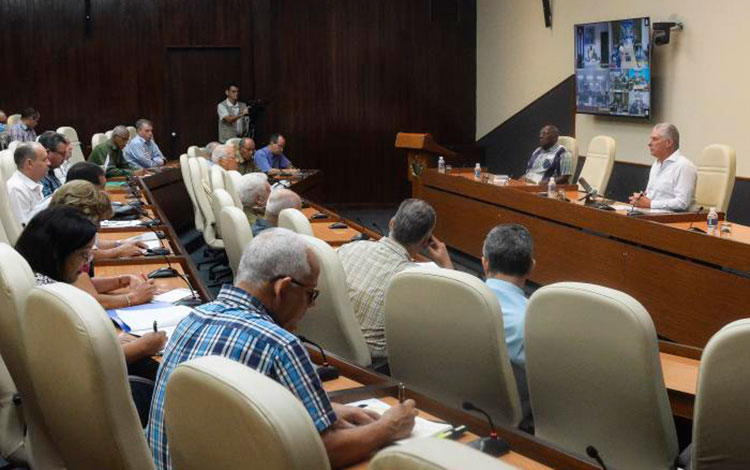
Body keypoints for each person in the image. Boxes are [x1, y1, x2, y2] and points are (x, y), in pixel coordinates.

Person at [147, 228, 417, 470]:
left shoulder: (190, 320)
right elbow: (326, 452)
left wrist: (320, 411)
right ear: (283, 288)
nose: (311, 307)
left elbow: (224, 414)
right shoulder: (278, 344)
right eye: (311, 295)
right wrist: (388, 427)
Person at [14, 205, 167, 425]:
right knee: (162, 389)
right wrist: (143, 346)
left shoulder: (33, 273)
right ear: (58, 252)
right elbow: (82, 366)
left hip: (49, 395)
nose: (87, 263)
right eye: (84, 254)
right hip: (73, 406)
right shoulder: (50, 299)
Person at [337, 199, 453, 360]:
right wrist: (446, 264)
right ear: (426, 241)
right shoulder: (412, 281)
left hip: (334, 344)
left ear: (391, 223)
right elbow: (455, 308)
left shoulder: (349, 249)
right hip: (376, 365)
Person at [49, 181, 156, 308]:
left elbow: (79, 284)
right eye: (97, 221)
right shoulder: (63, 243)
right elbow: (90, 301)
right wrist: (134, 298)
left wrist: (123, 280)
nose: (98, 228)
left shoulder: (54, 230)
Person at [482, 224, 534, 420]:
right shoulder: (532, 322)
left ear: (485, 264)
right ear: (531, 268)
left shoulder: (459, 301)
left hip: (455, 405)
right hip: (512, 418)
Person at [629, 123, 697, 211]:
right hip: (651, 214)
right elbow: (651, 196)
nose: (649, 143)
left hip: (671, 219)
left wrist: (650, 204)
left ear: (668, 143)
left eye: (655, 139)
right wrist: (640, 200)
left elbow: (682, 203)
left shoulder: (684, 166)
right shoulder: (656, 164)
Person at [6, 143, 49, 225]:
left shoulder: (34, 181)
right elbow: (24, 229)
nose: (49, 163)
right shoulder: (16, 189)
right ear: (29, 164)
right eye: (44, 159)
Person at [38, 131, 69, 197]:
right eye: (62, 154)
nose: (64, 158)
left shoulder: (51, 171)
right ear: (48, 152)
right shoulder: (39, 176)